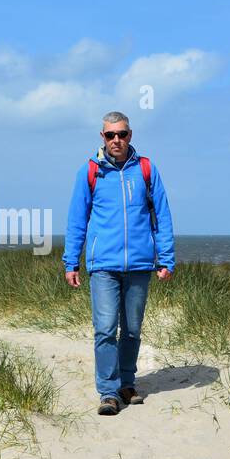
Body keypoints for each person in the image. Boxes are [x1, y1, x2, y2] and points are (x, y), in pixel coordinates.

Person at [62, 112, 176, 415]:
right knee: (104, 329)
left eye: (122, 134)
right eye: (110, 134)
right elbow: (77, 220)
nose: (117, 140)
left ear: (130, 135)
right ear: (102, 137)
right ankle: (109, 392)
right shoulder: (90, 172)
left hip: (139, 264)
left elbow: (162, 216)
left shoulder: (146, 169)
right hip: (103, 266)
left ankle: (127, 383)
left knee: (132, 330)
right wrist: (71, 261)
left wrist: (166, 258)